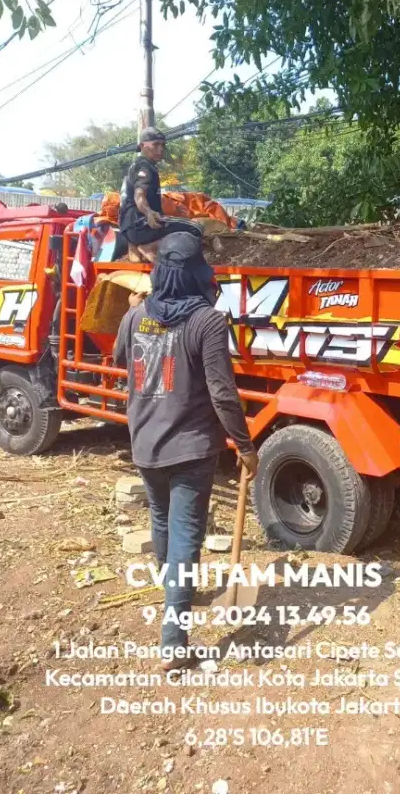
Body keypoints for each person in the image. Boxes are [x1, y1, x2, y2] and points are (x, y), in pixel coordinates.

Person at [114, 231, 258, 669]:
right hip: (191, 448)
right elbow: (223, 393)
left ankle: (174, 591)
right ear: (198, 272)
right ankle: (174, 639)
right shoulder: (207, 321)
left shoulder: (135, 317)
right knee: (186, 540)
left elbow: (123, 362)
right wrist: (246, 445)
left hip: (145, 441)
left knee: (162, 521)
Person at [119, 126, 200, 262]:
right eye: (155, 144)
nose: (161, 149)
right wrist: (148, 212)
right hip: (142, 225)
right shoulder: (146, 168)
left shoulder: (136, 165)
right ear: (142, 146)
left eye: (162, 145)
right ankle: (150, 247)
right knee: (196, 228)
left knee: (171, 221)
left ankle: (135, 246)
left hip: (129, 227)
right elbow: (139, 195)